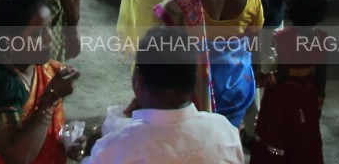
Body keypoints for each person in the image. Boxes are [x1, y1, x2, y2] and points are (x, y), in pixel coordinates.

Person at [153, 0, 265, 127]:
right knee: (229, 134)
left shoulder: (181, 1)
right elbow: (255, 45)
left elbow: (163, 49)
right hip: (237, 88)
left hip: (193, 91)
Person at [85, 25, 247, 163]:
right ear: (195, 79)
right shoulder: (226, 132)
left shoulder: (112, 151)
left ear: (138, 81)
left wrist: (87, 155)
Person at [0, 0, 80, 164]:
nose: (49, 38)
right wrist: (50, 99)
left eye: (49, 28)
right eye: (38, 33)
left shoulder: (48, 70)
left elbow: (45, 131)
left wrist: (66, 141)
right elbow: (17, 156)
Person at [250, 0, 327, 164]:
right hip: (307, 94)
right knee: (304, 137)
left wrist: (264, 79)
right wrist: (319, 101)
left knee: (278, 138)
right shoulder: (322, 38)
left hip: (282, 99)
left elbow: (282, 73)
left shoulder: (282, 37)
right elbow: (321, 75)